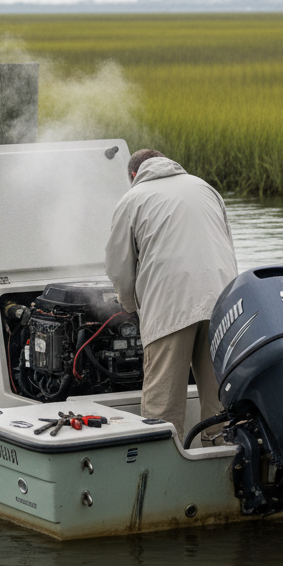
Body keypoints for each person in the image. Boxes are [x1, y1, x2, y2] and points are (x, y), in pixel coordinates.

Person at [104, 149, 238, 443]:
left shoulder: (133, 199)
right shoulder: (205, 188)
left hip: (169, 307)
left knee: (163, 406)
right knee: (221, 400)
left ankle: (165, 473)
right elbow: (226, 246)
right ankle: (222, 460)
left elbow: (119, 267)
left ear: (133, 176)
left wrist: (129, 306)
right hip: (222, 303)